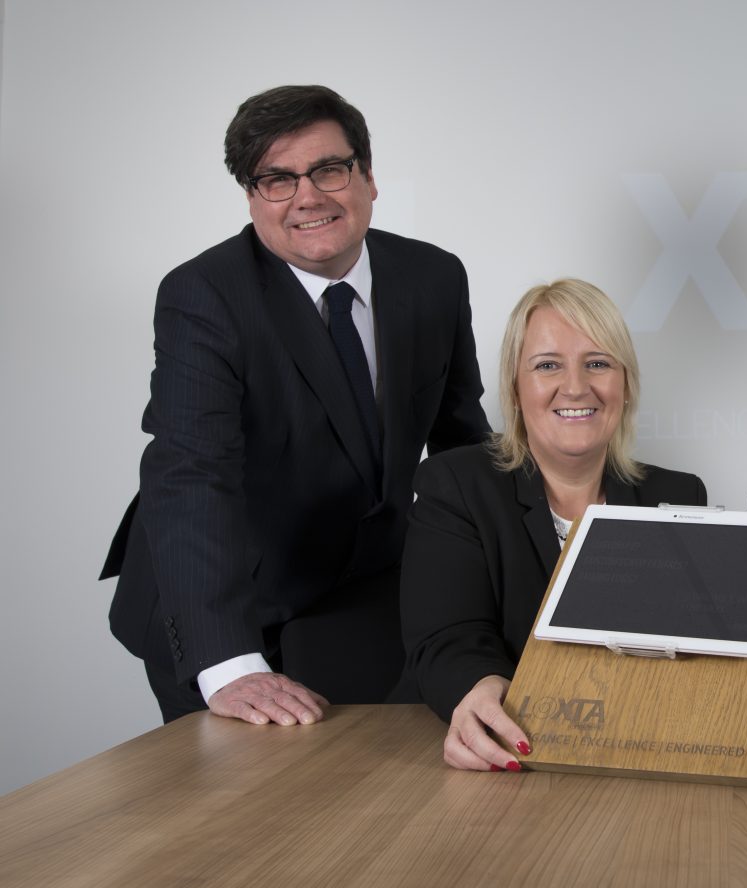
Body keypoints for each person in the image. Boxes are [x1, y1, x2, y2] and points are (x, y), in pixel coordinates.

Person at [100, 85, 490, 726]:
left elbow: (461, 442)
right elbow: (192, 474)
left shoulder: (434, 277)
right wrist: (228, 663)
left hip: (357, 589)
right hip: (224, 596)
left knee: (363, 795)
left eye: (329, 170)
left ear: (368, 176)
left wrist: (521, 568)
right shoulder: (204, 297)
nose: (307, 197)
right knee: (245, 812)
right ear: (252, 198)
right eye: (277, 180)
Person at [401, 278, 707, 771]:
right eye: (547, 366)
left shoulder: (677, 496)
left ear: (624, 385)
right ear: (516, 390)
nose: (576, 386)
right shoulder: (457, 484)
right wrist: (481, 686)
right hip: (498, 751)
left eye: (598, 363)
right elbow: (448, 636)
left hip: (631, 756)